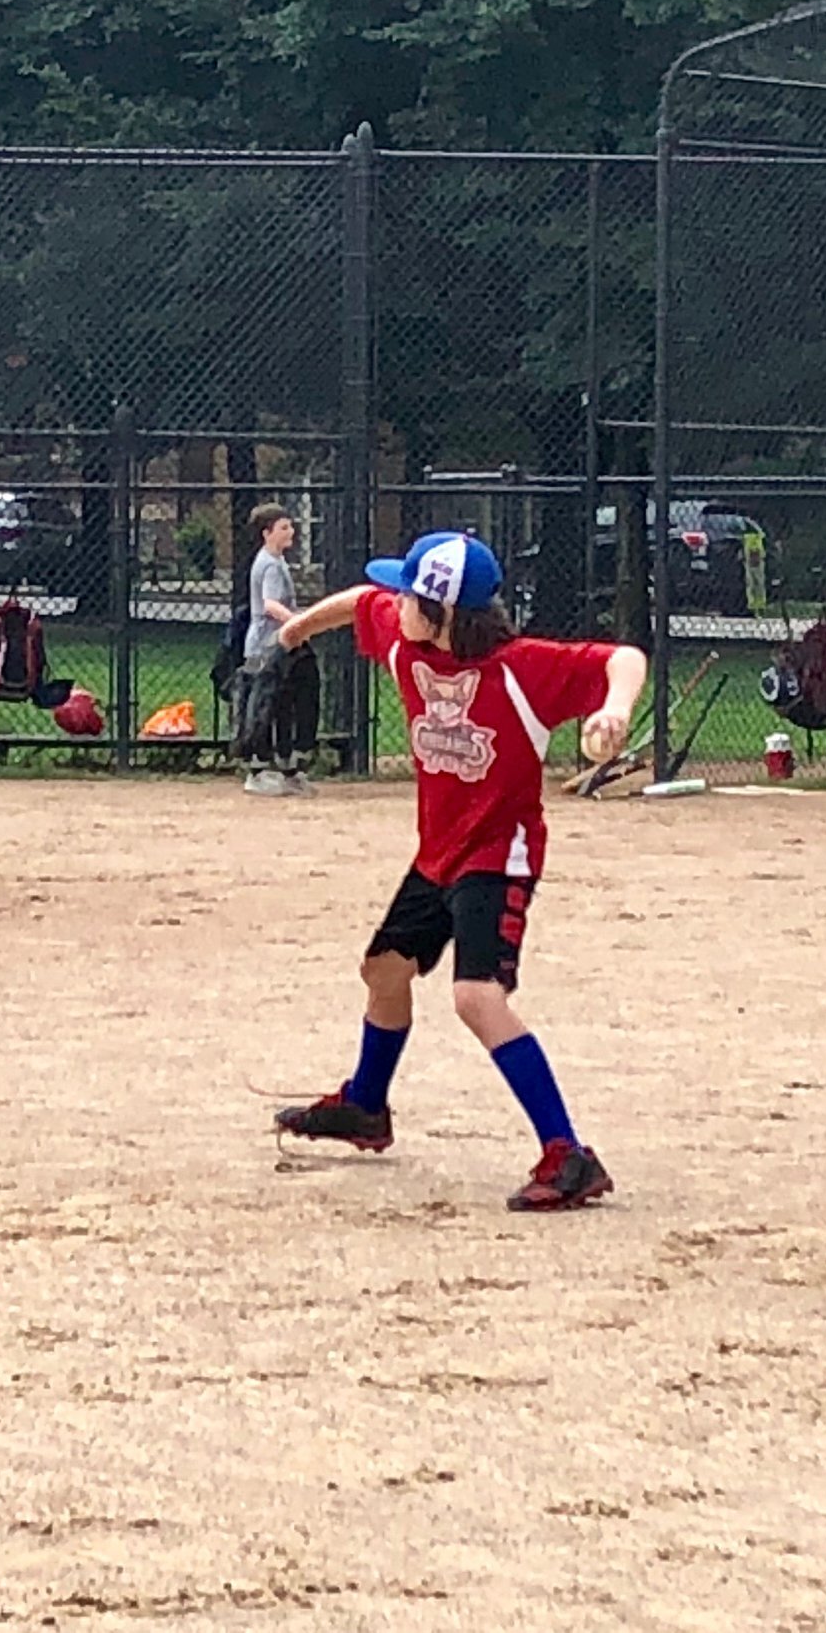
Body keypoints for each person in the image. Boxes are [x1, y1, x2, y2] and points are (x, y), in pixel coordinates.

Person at [269, 531, 647, 1212]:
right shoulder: (407, 640)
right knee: (384, 970)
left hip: (497, 855)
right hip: (437, 853)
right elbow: (361, 599)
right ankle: (365, 1106)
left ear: (441, 613)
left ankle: (568, 1155)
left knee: (476, 997)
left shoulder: (521, 668)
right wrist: (297, 630)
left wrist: (613, 708)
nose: (396, 603)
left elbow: (624, 658)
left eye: (409, 595)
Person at [238, 502, 315, 795]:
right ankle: (257, 772)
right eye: (284, 527)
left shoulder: (277, 560)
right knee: (264, 708)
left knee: (284, 705)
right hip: (266, 646)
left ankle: (286, 769)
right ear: (267, 533)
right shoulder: (269, 564)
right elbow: (270, 605)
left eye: (290, 526)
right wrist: (298, 623)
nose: (290, 531)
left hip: (279, 644)